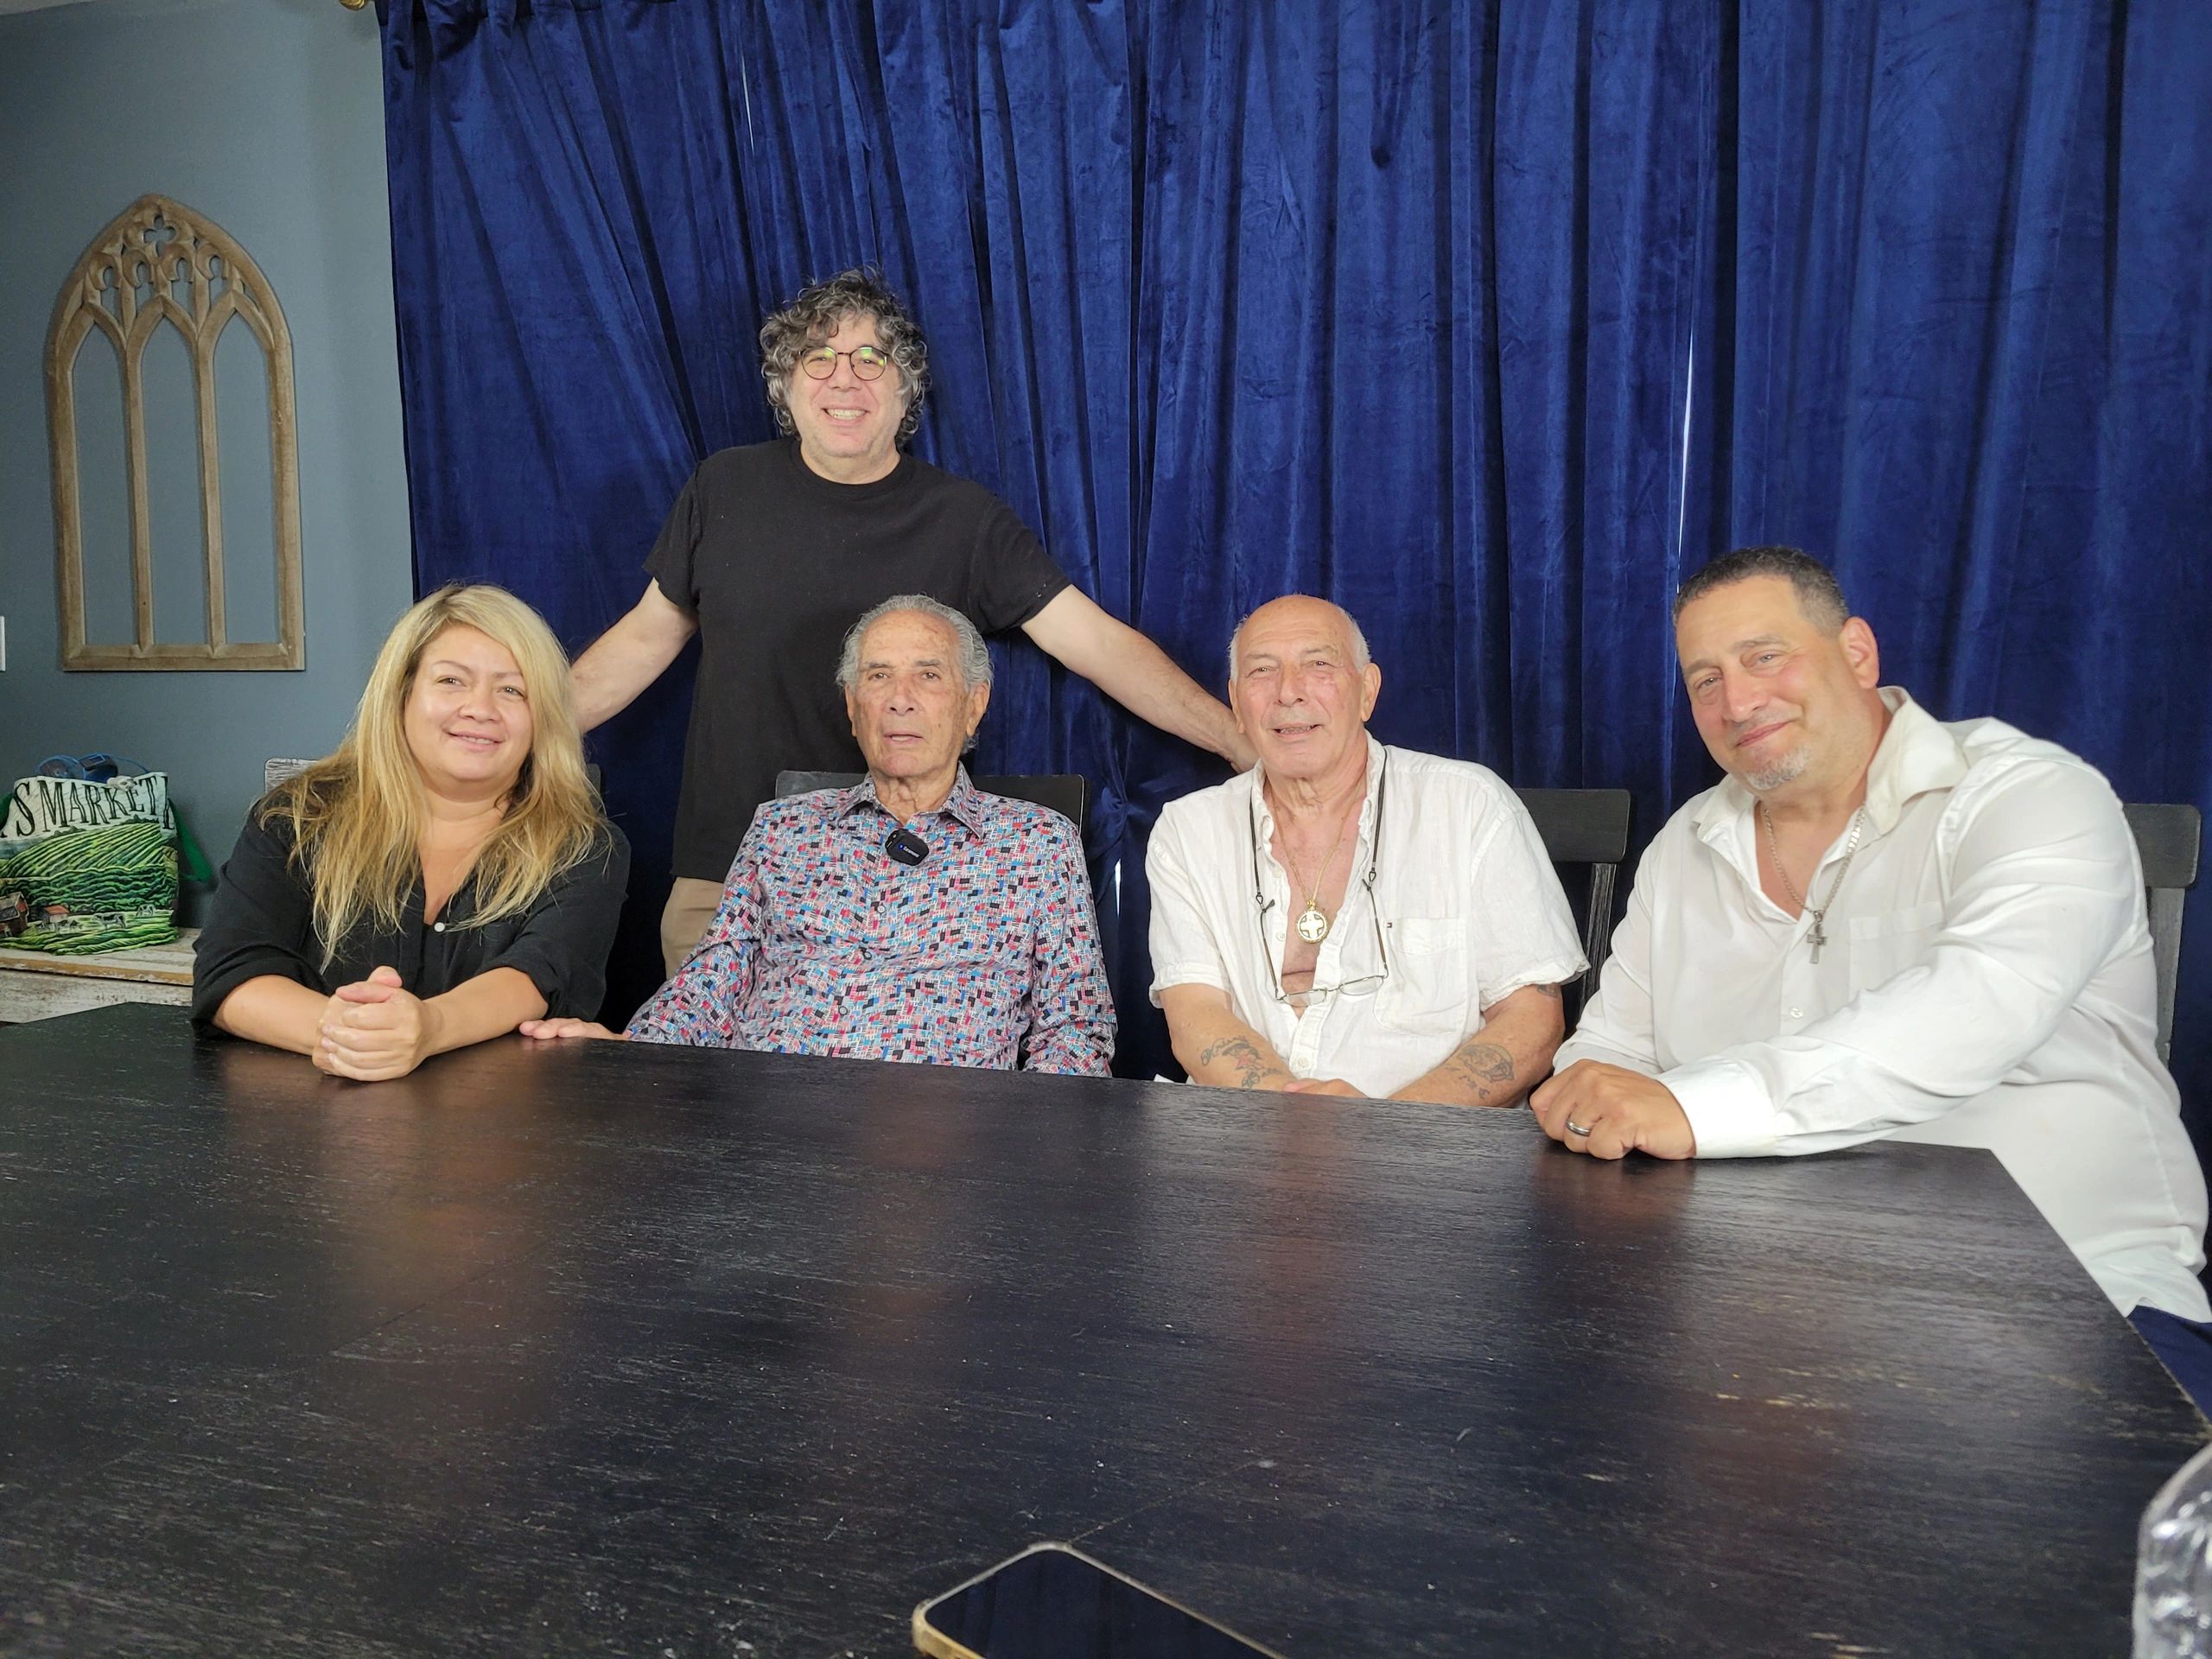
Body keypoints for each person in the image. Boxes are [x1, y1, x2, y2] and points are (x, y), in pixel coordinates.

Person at [1534, 548, 2210, 1380]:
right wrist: (1596, 1108)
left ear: (1857, 653)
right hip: (1746, 1305)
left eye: (1765, 657)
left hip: (2068, 1297)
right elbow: (1609, 1055)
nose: (1737, 700)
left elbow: (1977, 1010)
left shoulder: (2029, 794)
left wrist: (1690, 1108)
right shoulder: (1687, 843)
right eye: (1704, 680)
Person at [569, 268, 1252, 976]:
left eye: (872, 359)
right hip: (730, 882)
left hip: (910, 892)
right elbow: (643, 640)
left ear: (905, 390)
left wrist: (1234, 738)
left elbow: (1100, 646)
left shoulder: (964, 520)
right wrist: (516, 740)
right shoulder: (722, 488)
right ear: (785, 385)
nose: (845, 379)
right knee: (718, 1086)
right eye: (819, 357)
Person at [524, 596, 1114, 1074]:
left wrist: (1030, 1147)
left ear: (973, 705)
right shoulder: (783, 828)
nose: (900, 700)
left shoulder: (1037, 843)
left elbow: (1077, 1027)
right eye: (878, 676)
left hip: (945, 1153)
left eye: (928, 676)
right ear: (853, 708)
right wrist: (633, 1048)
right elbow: (716, 977)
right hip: (772, 1135)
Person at [1146, 595, 1585, 1103]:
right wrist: (1290, 1118)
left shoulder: (1469, 806)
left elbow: (1532, 1019)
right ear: (1237, 702)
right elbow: (1195, 1013)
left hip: (1427, 1148)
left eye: (1318, 665)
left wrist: (1380, 1134)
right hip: (1247, 1139)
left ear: (1367, 691)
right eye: (1262, 671)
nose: (1288, 692)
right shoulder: (1187, 830)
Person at [193, 585, 630, 1082]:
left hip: (494, 1141)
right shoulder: (296, 818)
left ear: (541, 717)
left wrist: (429, 1027)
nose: (480, 708)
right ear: (401, 694)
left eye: (513, 690)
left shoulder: (585, 847)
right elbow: (231, 974)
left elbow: (540, 975)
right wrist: (347, 1033)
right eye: (451, 681)